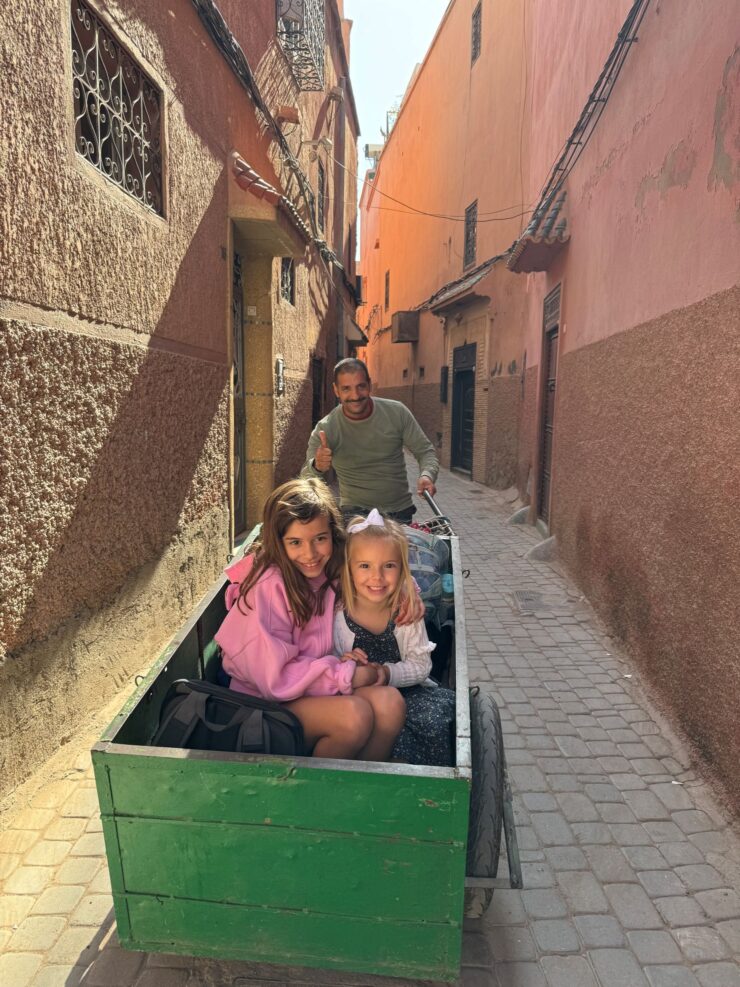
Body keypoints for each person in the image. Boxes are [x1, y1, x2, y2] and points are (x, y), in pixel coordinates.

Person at [214, 478, 406, 762]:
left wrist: (406, 594)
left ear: (332, 534)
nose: (310, 554)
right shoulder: (269, 587)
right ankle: (314, 800)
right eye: (295, 542)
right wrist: (346, 675)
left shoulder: (330, 569)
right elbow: (274, 679)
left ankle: (358, 794)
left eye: (320, 539)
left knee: (390, 704)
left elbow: (374, 571)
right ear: (279, 543)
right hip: (264, 701)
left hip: (309, 685)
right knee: (354, 718)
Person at [334, 509, 456, 766]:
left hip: (408, 693)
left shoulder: (405, 611)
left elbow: (422, 666)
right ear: (349, 569)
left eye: (388, 566)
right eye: (365, 566)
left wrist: (388, 674)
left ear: (401, 571)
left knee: (428, 723)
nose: (377, 577)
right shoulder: (337, 609)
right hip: (352, 692)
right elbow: (325, 652)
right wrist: (342, 662)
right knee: (357, 723)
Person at [302, 357, 439, 525]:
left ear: (369, 385)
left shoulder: (397, 412)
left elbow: (425, 451)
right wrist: (317, 466)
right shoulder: (326, 428)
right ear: (336, 390)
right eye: (346, 389)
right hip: (355, 514)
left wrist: (427, 475)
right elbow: (306, 479)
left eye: (361, 386)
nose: (355, 395)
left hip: (399, 512)